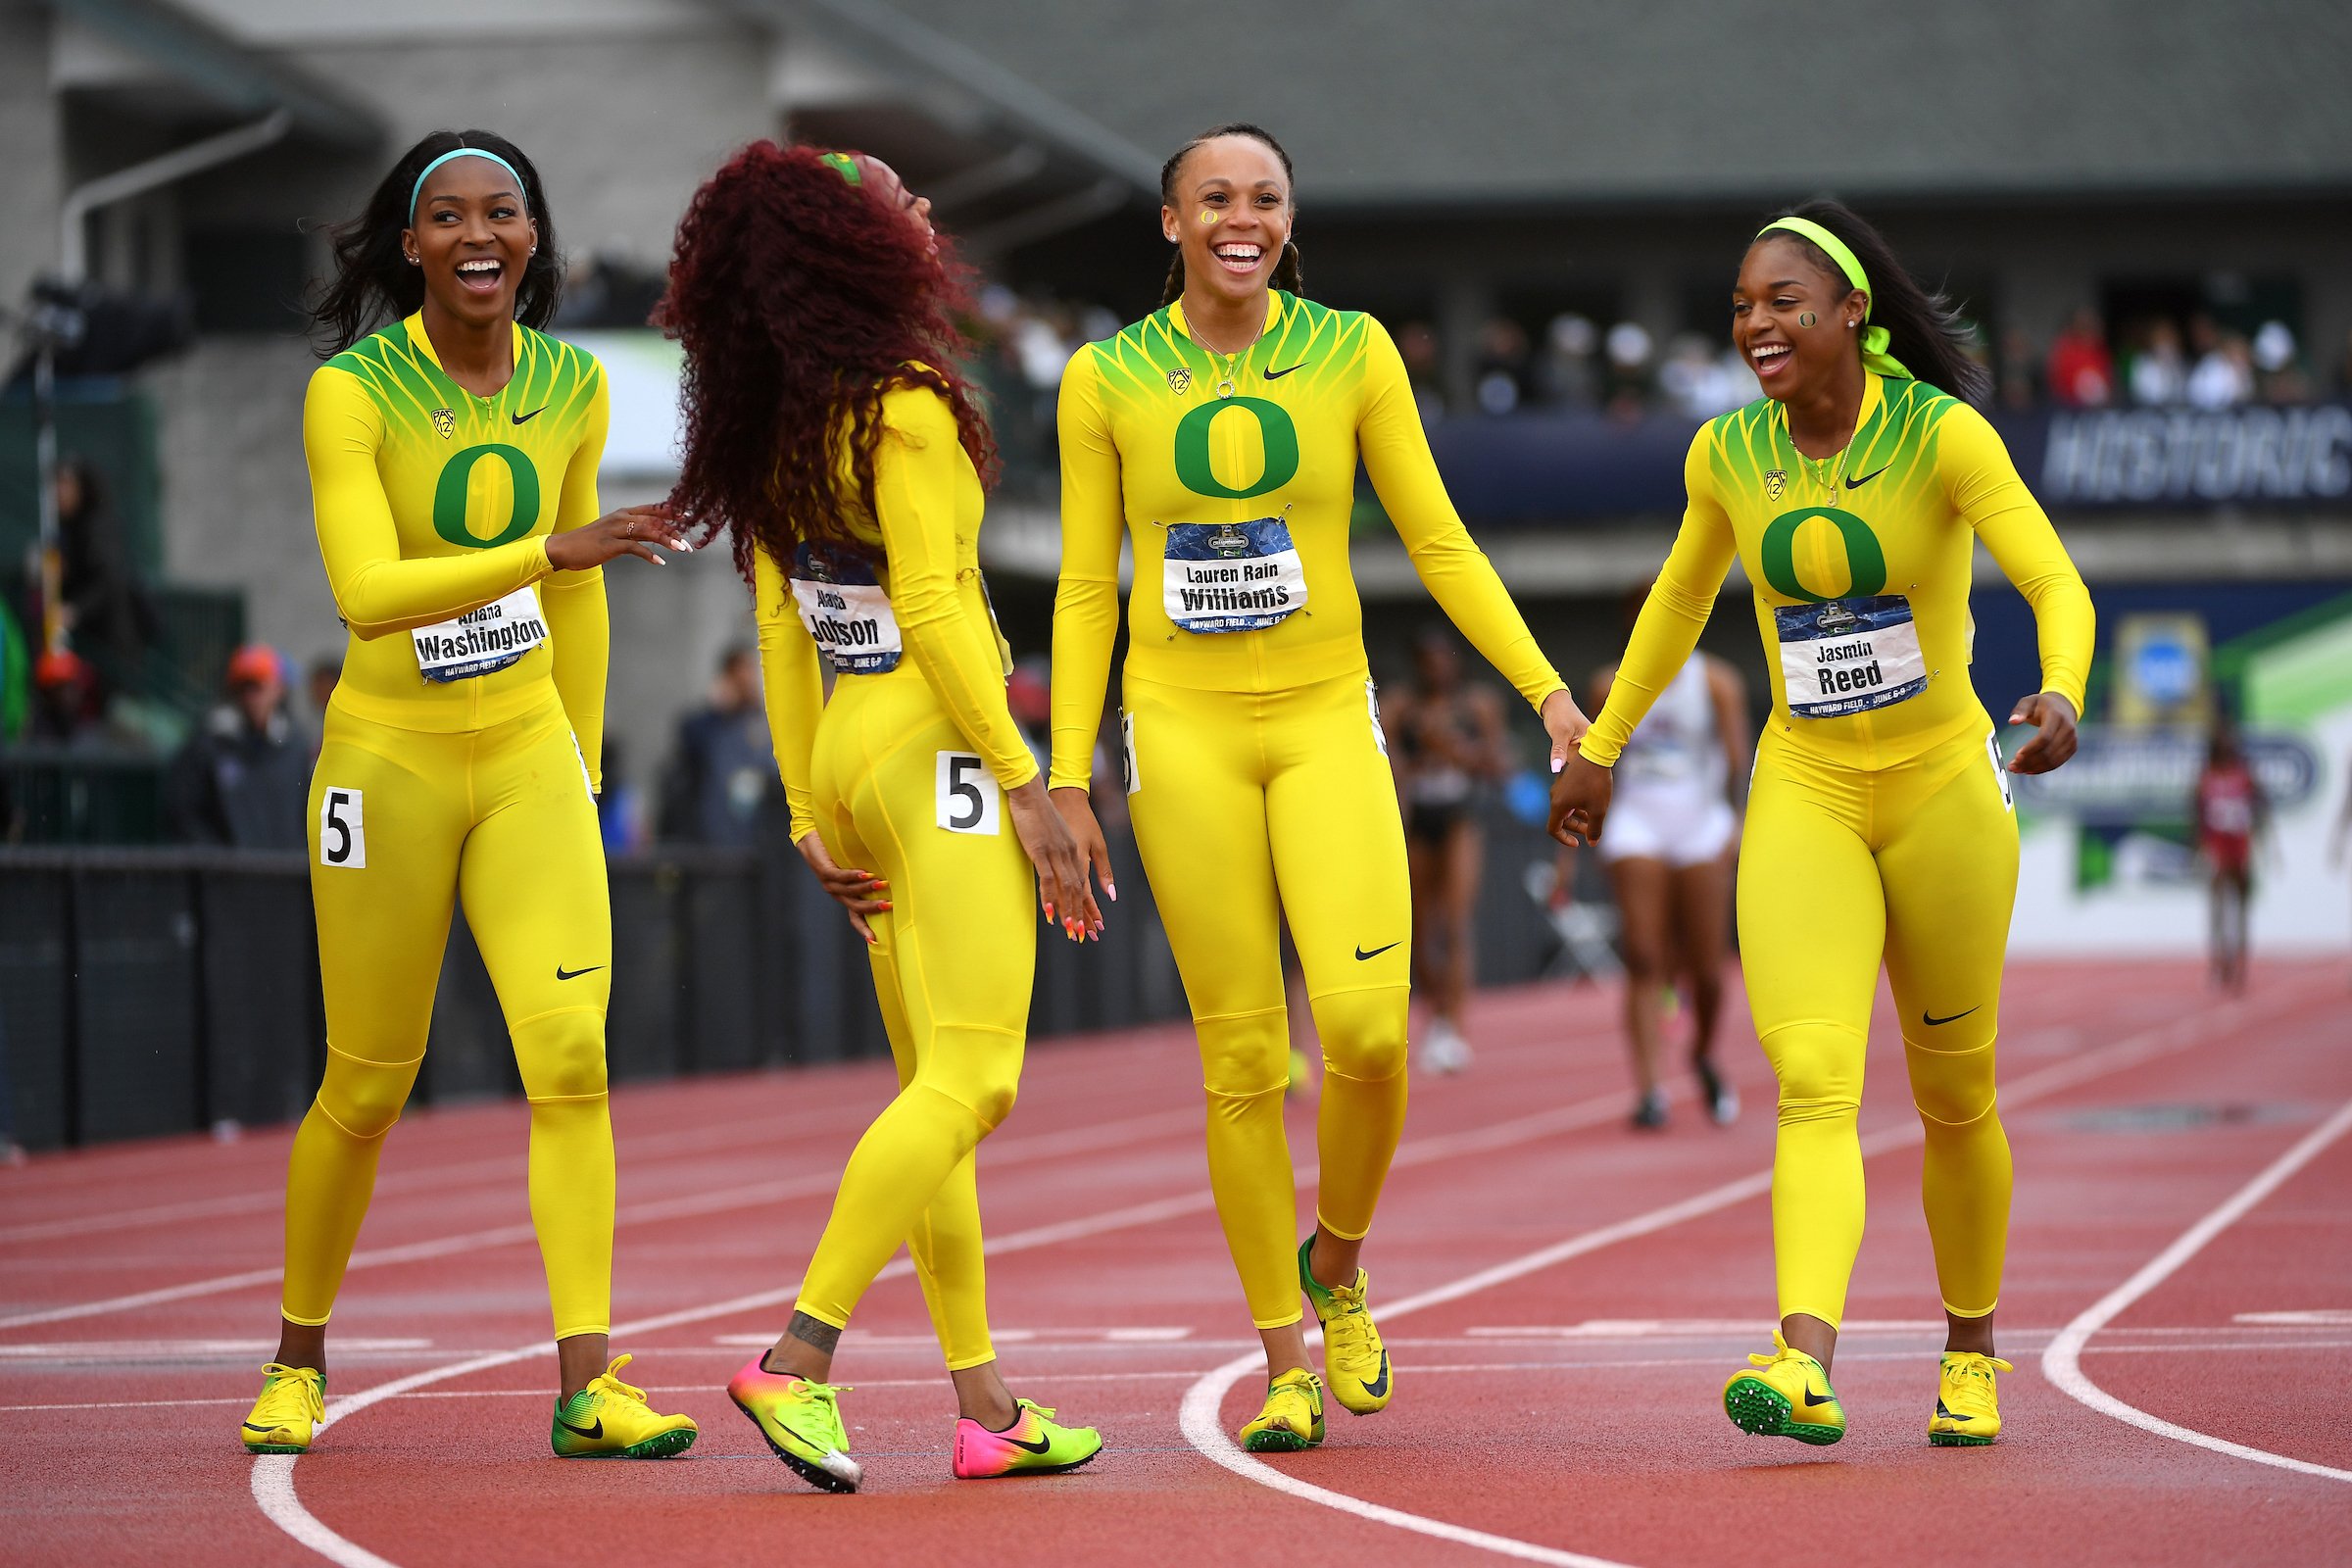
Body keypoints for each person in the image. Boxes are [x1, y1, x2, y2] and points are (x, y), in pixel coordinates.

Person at [1050, 122, 1587, 1452]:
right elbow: (1079, 591)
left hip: (1321, 723)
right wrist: (1065, 776)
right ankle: (1283, 1358)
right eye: (1214, 198)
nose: (1243, 217)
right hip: (1178, 735)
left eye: (1267, 198)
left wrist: (1549, 693)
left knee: (1368, 1036)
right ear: (1171, 223)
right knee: (1241, 1062)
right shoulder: (1103, 378)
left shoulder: (1351, 353)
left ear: (1292, 220)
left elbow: (1439, 540)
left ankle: (1335, 1262)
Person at [1551, 199, 2093, 1451]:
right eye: (1741, 305)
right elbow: (1680, 603)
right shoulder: (1726, 456)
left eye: (1783, 302)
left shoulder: (1943, 438)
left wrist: (2061, 684)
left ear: (1853, 312)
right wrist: (1602, 745)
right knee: (1810, 1078)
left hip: (1944, 787)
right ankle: (1804, 1359)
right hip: (1806, 787)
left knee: (1957, 1100)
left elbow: (2054, 578)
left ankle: (1971, 1352)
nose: (1755, 324)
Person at [238, 129, 699, 1461]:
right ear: (409, 244)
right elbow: (367, 598)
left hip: (527, 757)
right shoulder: (352, 393)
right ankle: (297, 1359)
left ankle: (588, 1385)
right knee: (367, 1084)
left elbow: (580, 598)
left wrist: (586, 764)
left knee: (571, 1057)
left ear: (536, 239)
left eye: (505, 213)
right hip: (387, 760)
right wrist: (555, 543)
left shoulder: (570, 384)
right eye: (450, 217)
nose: (480, 235)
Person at [660, 141, 1102, 1493]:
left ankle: (985, 1407)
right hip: (938, 752)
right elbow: (929, 611)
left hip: (857, 757)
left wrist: (807, 804)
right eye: (893, 197)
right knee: (981, 1080)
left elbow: (781, 625)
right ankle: (798, 1358)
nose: (920, 207)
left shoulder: (777, 411)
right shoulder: (903, 409)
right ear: (848, 246)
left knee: (934, 1093)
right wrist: (1028, 782)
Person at [1588, 593, 1747, 1130]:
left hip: (1700, 821)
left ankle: (1701, 1051)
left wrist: (1738, 825)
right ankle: (1651, 1088)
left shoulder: (1716, 682)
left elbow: (1736, 762)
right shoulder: (1610, 684)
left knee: (1706, 968)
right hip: (1638, 820)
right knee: (1643, 953)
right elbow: (1598, 765)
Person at [1385, 627, 1509, 1075]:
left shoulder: (1476, 705)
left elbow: (1502, 768)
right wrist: (1422, 755)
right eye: (1427, 661)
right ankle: (1435, 1016)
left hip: (1461, 818)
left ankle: (1455, 1026)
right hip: (1419, 821)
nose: (1436, 669)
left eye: (1443, 660)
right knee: (1419, 930)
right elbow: (1387, 765)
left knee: (1455, 924)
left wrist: (1454, 749)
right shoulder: (1401, 707)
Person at [164, 644, 310, 850]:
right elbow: (184, 812)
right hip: (232, 876)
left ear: (278, 689)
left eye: (258, 687)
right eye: (242, 688)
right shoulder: (208, 745)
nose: (250, 697)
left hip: (286, 874)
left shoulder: (295, 746)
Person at [658, 644, 771, 846]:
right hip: (710, 839)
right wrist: (718, 712)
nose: (748, 680)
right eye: (741, 673)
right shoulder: (707, 724)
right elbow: (690, 754)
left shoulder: (762, 724)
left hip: (756, 839)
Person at [2192, 720, 2265, 992]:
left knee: (2242, 907)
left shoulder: (2244, 774)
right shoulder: (2206, 775)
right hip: (2217, 844)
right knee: (2218, 906)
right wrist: (2197, 845)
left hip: (2240, 843)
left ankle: (2241, 962)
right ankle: (2219, 960)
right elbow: (2196, 810)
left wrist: (2260, 834)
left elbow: (2260, 801)